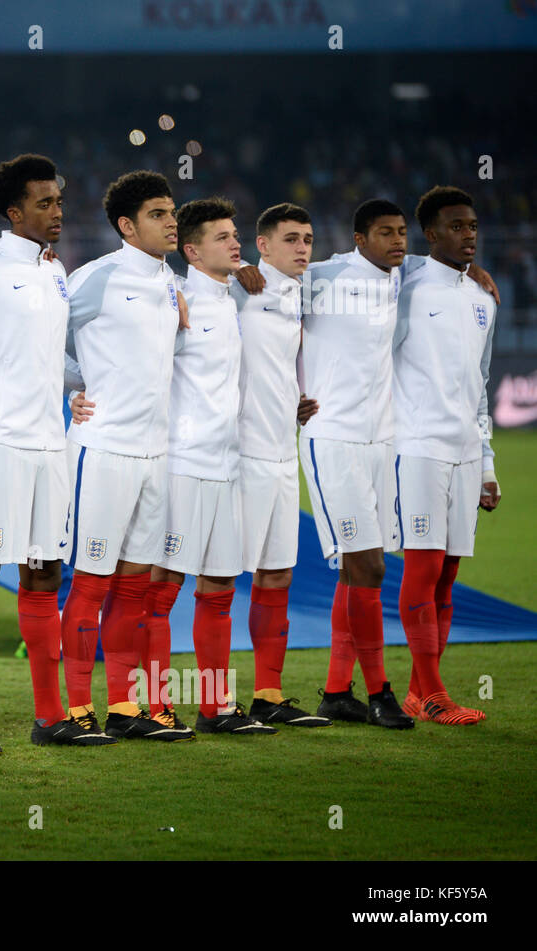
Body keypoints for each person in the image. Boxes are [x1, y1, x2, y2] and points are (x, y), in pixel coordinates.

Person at [0, 154, 104, 751]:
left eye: (59, 202)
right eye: (44, 204)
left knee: (44, 576)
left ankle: (50, 718)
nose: (57, 213)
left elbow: (51, 359)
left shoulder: (55, 271)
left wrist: (91, 383)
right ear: (14, 212)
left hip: (50, 446)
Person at [60, 170, 194, 742]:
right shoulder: (96, 278)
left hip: (153, 454)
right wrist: (70, 389)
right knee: (89, 584)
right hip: (104, 451)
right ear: (126, 225)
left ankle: (123, 707)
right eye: (159, 215)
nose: (171, 223)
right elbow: (44, 339)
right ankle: (73, 709)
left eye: (173, 213)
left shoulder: (172, 284)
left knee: (134, 587)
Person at [148, 197, 276, 734]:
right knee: (162, 586)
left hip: (228, 465)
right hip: (183, 463)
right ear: (192, 251)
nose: (235, 242)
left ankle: (216, 705)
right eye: (222, 237)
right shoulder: (172, 299)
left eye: (235, 234)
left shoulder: (234, 300)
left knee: (220, 583)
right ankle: (152, 704)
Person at [301, 199, 415, 729]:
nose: (398, 241)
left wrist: (473, 271)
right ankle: (380, 693)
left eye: (402, 232)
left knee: (355, 573)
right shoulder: (322, 277)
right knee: (369, 567)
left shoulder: (402, 279)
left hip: (381, 443)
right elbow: (262, 296)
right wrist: (245, 273)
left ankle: (334, 693)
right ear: (358, 238)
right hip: (333, 439)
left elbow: (441, 268)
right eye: (385, 233)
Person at [393, 185, 497, 725]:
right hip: (417, 448)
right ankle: (433, 693)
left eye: (473, 226)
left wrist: (488, 465)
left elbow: (480, 388)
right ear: (430, 235)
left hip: (463, 452)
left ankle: (418, 691)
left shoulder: (482, 300)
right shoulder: (403, 282)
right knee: (424, 565)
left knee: (448, 573)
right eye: (456, 227)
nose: (469, 235)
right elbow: (360, 261)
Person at [229, 203, 331, 727]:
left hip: (280, 453)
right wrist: (233, 268)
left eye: (308, 239)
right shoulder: (239, 286)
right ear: (262, 245)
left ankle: (268, 694)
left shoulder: (299, 294)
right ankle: (209, 702)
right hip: (237, 456)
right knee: (216, 578)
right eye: (291, 239)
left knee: (277, 575)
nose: (302, 248)